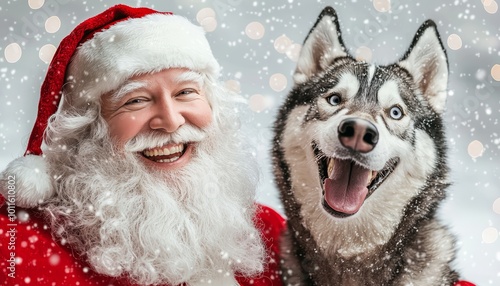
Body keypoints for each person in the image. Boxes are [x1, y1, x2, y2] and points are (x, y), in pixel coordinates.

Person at [0, 5, 285, 286]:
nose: (171, 121)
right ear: (87, 128)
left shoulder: (272, 234)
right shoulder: (20, 249)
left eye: (186, 92)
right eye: (135, 100)